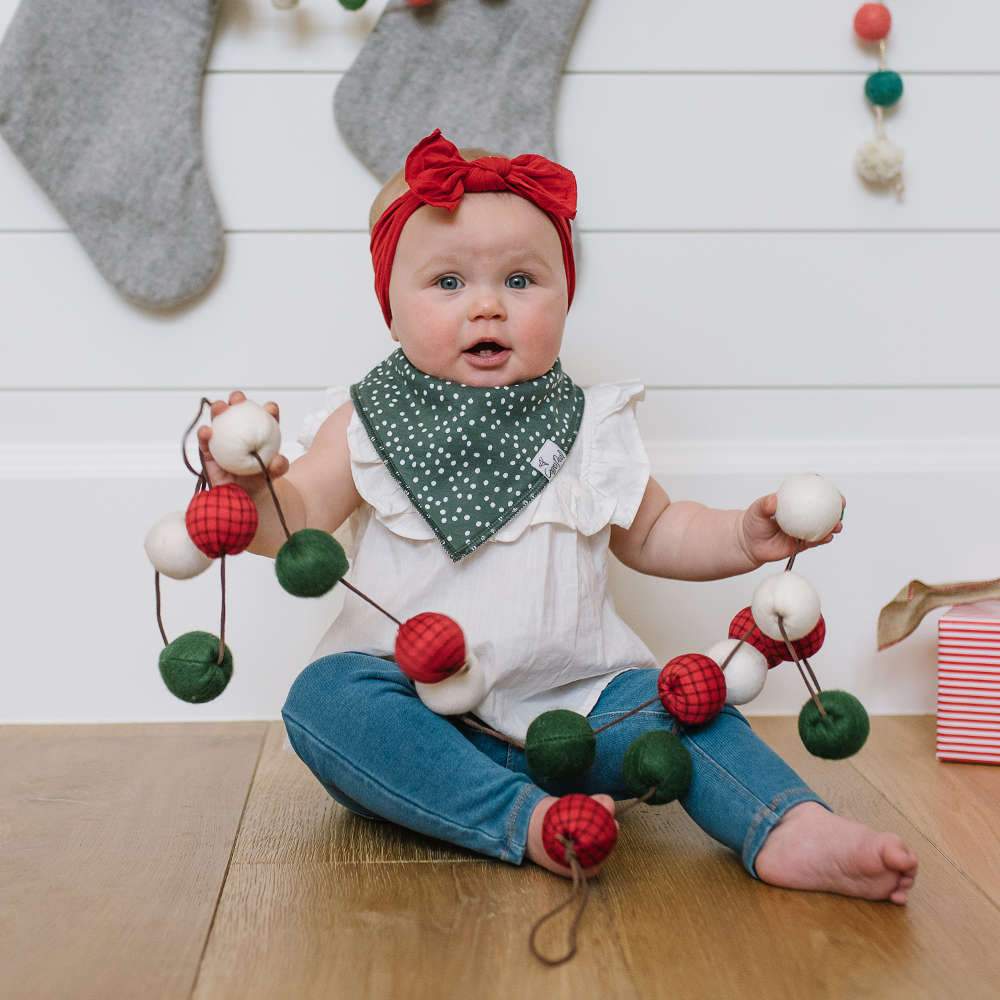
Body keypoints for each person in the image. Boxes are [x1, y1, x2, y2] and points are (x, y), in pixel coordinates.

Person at [197, 128, 917, 903]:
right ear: (390, 310)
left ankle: (785, 824)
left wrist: (744, 533)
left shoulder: (586, 427)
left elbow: (656, 531)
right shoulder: (364, 424)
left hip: (581, 714)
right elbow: (294, 523)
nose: (485, 305)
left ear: (565, 298)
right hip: (417, 718)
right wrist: (246, 490)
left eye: (519, 280)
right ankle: (525, 820)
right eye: (446, 282)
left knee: (688, 704)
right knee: (325, 704)